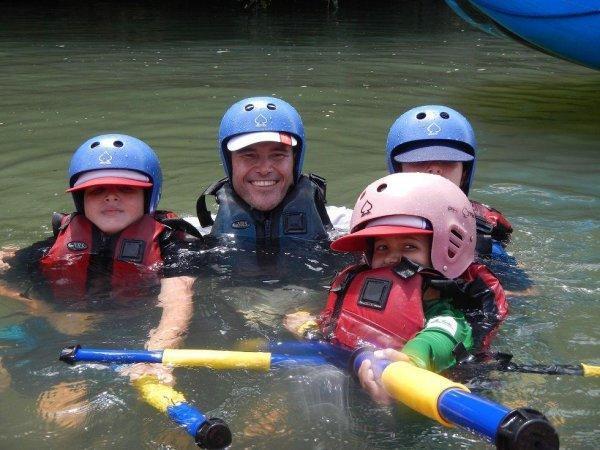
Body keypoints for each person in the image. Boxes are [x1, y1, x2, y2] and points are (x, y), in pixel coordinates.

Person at [0, 133, 201, 425]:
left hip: (124, 336)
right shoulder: (55, 244)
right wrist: (46, 309)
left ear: (149, 195)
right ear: (81, 199)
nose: (111, 196)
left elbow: (177, 302)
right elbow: (9, 277)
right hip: (56, 326)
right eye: (97, 191)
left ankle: (76, 389)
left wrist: (157, 355)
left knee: (65, 420)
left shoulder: (174, 249)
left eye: (126, 189)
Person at [285, 173, 509, 403]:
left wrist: (411, 360)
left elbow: (443, 334)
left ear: (447, 250)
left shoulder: (443, 311)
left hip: (425, 396)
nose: (392, 258)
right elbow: (335, 331)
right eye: (382, 247)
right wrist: (309, 327)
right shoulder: (358, 289)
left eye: (409, 246)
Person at [197, 96, 332, 244]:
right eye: (249, 156)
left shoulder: (346, 228)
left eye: (278, 155)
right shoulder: (194, 237)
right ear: (229, 162)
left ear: (295, 160)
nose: (264, 169)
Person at [385, 105, 513, 257]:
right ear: (398, 169)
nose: (434, 169)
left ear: (464, 173)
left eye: (447, 160)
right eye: (418, 160)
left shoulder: (483, 236)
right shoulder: (371, 223)